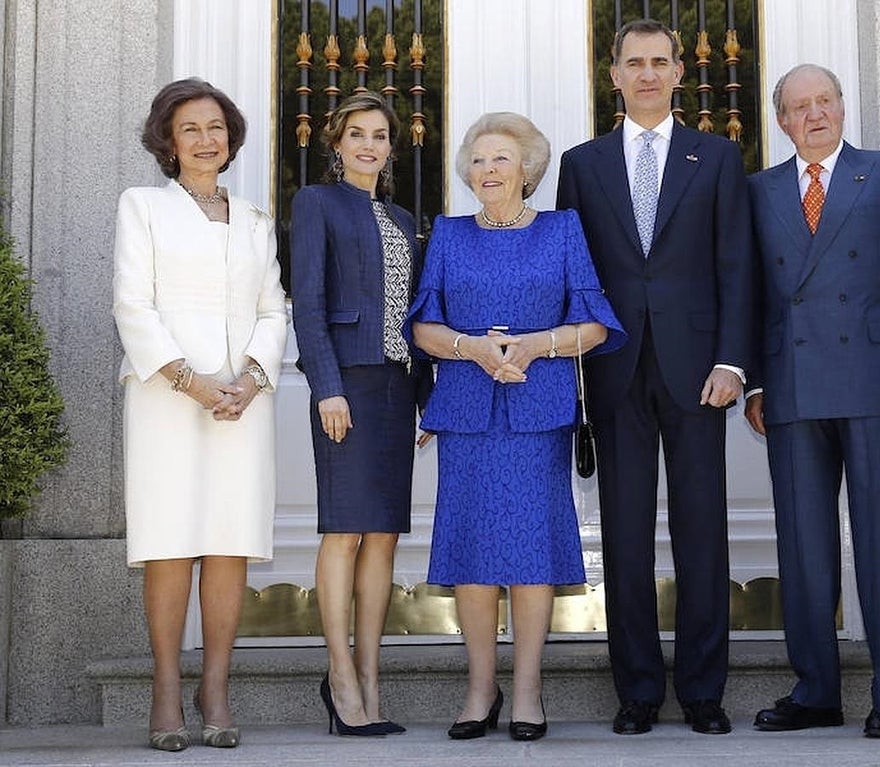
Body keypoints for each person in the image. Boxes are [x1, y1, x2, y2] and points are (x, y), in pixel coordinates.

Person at [744, 63, 880, 739]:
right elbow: (748, 295)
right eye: (800, 106)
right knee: (804, 545)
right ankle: (815, 689)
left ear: (842, 107)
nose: (815, 114)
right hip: (793, 385)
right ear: (781, 120)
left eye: (825, 101)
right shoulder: (759, 191)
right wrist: (752, 379)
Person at [556, 19, 754, 736]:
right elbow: (573, 275)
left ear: (679, 73)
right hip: (613, 368)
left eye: (659, 62)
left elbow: (737, 264)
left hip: (699, 370)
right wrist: (571, 367)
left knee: (704, 531)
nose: (646, 73)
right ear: (613, 75)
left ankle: (704, 690)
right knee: (626, 535)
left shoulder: (718, 157)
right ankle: (637, 688)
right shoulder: (582, 164)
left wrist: (733, 361)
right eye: (633, 62)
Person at [409, 112, 624, 742]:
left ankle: (528, 689)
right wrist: (473, 349)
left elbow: (594, 325)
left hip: (537, 412)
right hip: (469, 413)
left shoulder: (562, 230)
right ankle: (481, 689)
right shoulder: (448, 235)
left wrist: (533, 346)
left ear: (528, 169)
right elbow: (423, 328)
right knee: (473, 552)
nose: (488, 170)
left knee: (532, 555)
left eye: (501, 159)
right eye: (477, 160)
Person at [113, 78, 288, 751]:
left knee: (229, 538)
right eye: (190, 128)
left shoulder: (253, 219)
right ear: (168, 140)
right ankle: (165, 687)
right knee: (169, 540)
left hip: (242, 404)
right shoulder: (143, 206)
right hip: (166, 397)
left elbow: (274, 309)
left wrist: (248, 378)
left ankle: (215, 686)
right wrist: (190, 382)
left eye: (216, 127)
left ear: (231, 137)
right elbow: (133, 304)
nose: (205, 139)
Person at [290, 91, 430, 737]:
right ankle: (339, 674)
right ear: (336, 143)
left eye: (379, 135)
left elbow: (417, 316)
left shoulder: (402, 217)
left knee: (384, 535)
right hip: (346, 384)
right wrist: (327, 386)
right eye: (357, 134)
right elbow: (309, 303)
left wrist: (427, 398)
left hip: (397, 388)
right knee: (343, 529)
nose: (369, 145)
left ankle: (373, 676)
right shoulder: (316, 203)